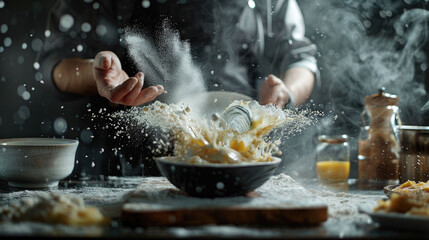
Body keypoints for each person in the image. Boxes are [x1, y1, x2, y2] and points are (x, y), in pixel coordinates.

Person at [38, 0, 319, 179]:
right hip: (129, 164)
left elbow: (300, 57)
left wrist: (285, 92)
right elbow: (56, 62)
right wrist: (96, 74)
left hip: (239, 156)